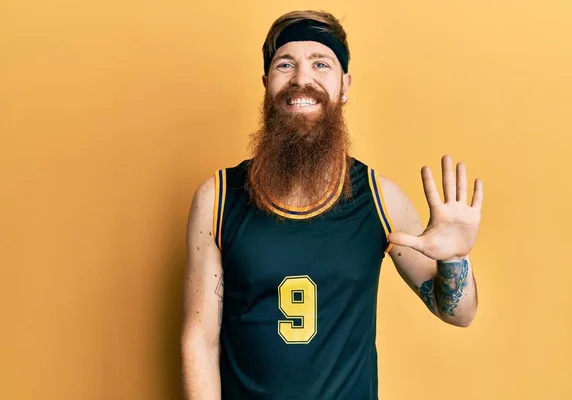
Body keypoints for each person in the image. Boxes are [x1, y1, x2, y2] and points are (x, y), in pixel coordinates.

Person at [180, 9, 483, 400]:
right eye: (285, 64)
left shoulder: (379, 198)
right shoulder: (217, 198)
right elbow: (199, 342)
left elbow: (458, 313)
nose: (301, 79)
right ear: (267, 84)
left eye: (321, 64)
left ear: (344, 86)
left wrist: (456, 257)